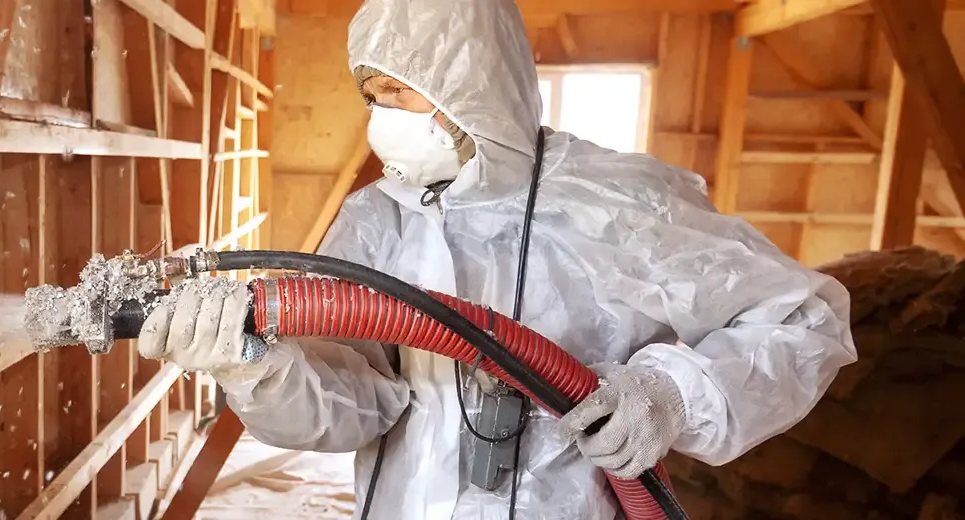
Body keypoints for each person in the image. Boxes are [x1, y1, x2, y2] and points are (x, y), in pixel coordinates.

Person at [135, 0, 858, 518]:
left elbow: (802, 321)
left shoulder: (616, 204)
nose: (379, 116)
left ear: (469, 84)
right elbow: (355, 408)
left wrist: (667, 395)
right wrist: (259, 368)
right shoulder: (379, 219)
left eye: (398, 91)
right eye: (370, 94)